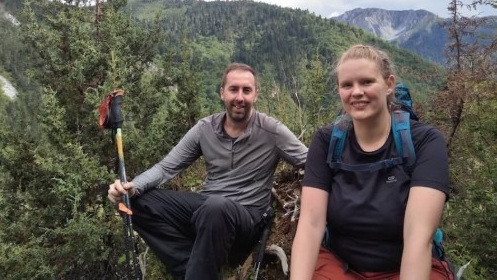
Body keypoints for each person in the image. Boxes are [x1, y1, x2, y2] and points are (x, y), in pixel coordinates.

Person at [108, 62, 308, 280]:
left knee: (216, 206)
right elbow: (166, 167)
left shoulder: (272, 131)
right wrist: (132, 187)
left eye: (246, 90)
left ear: (256, 95)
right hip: (208, 210)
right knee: (129, 203)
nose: (239, 97)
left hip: (247, 219)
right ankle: (190, 268)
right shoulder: (205, 129)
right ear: (222, 93)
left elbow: (310, 162)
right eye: (233, 89)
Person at [290, 45, 453, 280]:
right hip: (340, 265)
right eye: (347, 85)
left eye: (366, 82)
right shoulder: (327, 141)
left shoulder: (424, 141)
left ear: (389, 84)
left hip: (403, 267)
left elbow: (418, 238)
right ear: (339, 90)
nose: (356, 92)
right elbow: (311, 225)